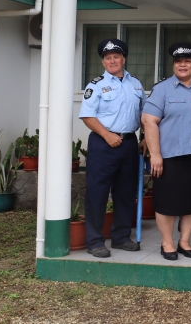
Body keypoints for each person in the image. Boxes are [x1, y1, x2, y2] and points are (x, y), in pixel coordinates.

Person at [141, 42, 191, 261]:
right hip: (170, 156)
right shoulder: (162, 89)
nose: (183, 65)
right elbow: (149, 121)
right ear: (174, 64)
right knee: (167, 202)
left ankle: (184, 240)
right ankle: (167, 242)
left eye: (187, 61)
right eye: (178, 61)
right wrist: (155, 154)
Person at [79, 39, 146, 258]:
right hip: (103, 143)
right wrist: (107, 135)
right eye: (108, 58)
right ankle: (95, 241)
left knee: (126, 193)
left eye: (116, 56)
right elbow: (87, 116)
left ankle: (120, 237)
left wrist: (144, 138)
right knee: (97, 193)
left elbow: (145, 115)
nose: (112, 61)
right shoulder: (95, 85)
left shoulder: (135, 84)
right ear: (103, 61)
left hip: (128, 144)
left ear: (123, 59)